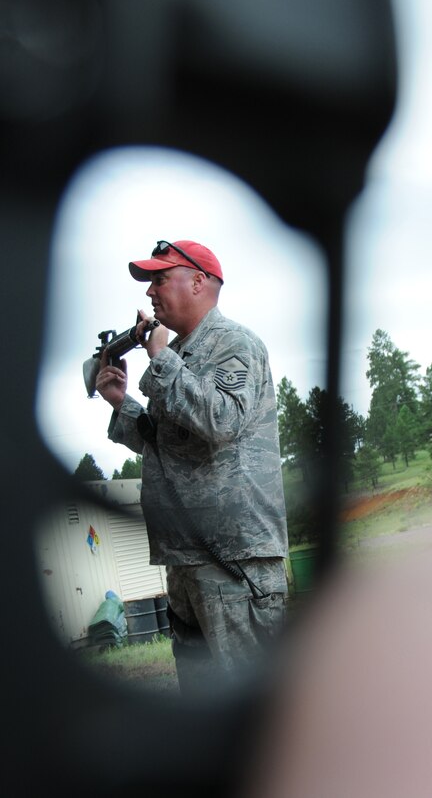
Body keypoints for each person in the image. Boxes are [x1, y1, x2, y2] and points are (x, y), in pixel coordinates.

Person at [95, 239, 289, 695]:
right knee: (203, 706)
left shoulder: (233, 343)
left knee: (253, 708)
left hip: (235, 559)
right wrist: (122, 403)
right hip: (187, 560)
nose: (150, 293)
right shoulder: (181, 355)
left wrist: (161, 359)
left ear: (199, 282)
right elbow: (167, 446)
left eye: (159, 279)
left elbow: (221, 420)